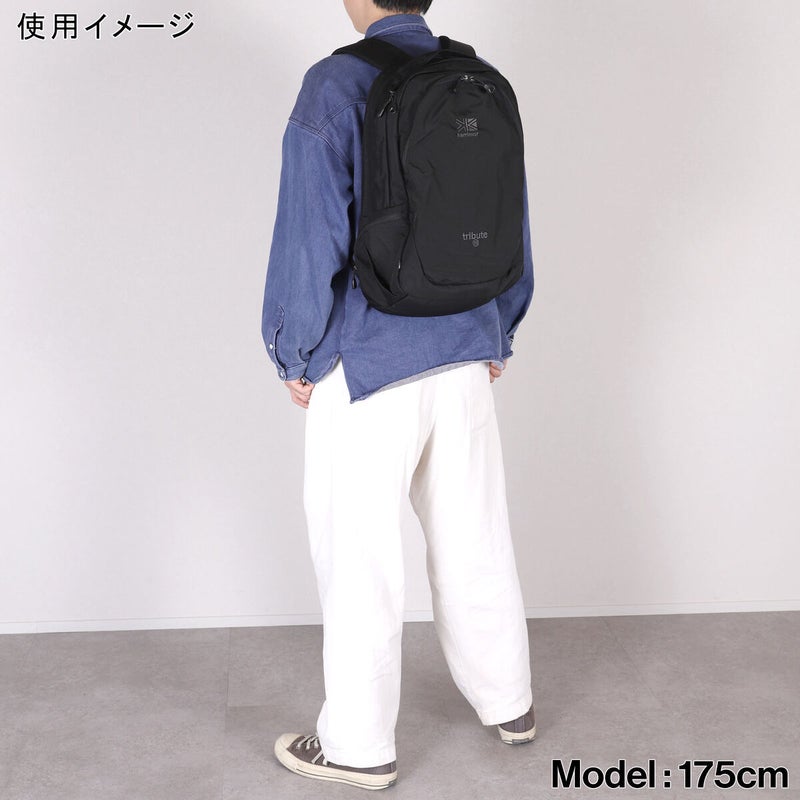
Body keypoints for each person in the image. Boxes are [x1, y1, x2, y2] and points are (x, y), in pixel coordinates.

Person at [261, 0, 536, 790]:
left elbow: (309, 235)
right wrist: (497, 329)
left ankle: (357, 746)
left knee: (361, 562)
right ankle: (510, 703)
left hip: (366, 364)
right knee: (476, 536)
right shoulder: (480, 81)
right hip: (465, 348)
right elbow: (510, 220)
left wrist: (293, 351)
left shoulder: (334, 86)